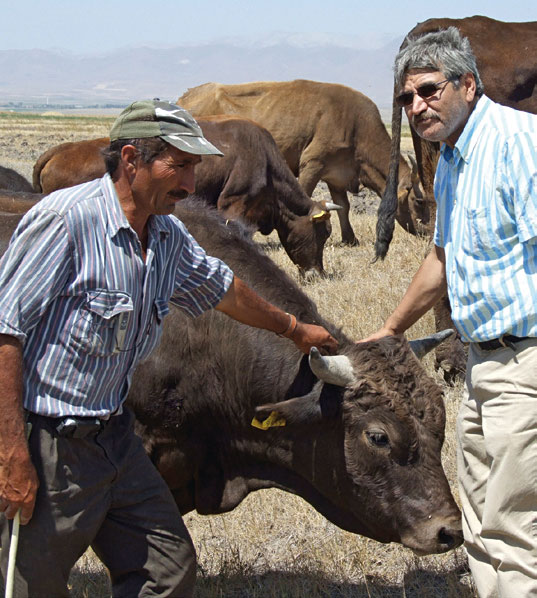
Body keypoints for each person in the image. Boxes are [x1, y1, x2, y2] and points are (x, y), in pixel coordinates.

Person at [0, 99, 338, 597]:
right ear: (132, 160)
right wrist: (11, 451)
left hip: (116, 437)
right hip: (52, 442)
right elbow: (6, 331)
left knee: (168, 568)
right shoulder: (65, 221)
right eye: (179, 164)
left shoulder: (165, 233)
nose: (190, 181)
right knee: (29, 585)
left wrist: (292, 328)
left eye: (194, 166)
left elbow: (223, 290)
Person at [364, 27, 537, 598]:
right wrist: (390, 330)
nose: (416, 107)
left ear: (467, 83)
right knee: (483, 523)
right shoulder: (452, 160)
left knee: (519, 527)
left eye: (429, 91)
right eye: (406, 99)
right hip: (482, 367)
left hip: (526, 361)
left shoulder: (520, 143)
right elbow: (443, 254)